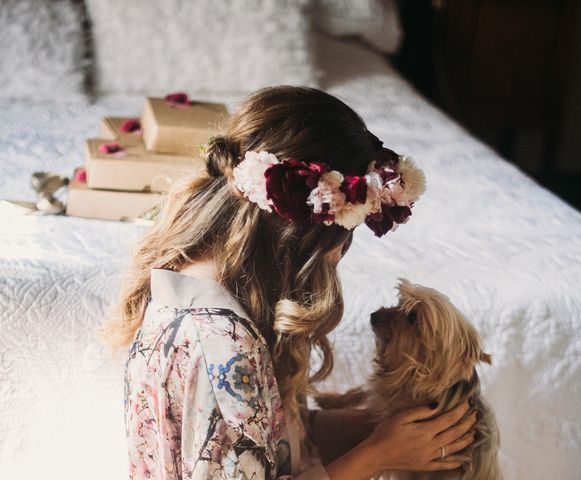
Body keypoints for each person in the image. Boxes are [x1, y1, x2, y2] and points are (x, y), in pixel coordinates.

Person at [103, 86, 476, 480]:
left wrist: (370, 429)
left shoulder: (189, 282)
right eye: (344, 233)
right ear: (303, 226)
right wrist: (377, 456)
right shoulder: (222, 345)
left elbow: (254, 437)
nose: (339, 254)